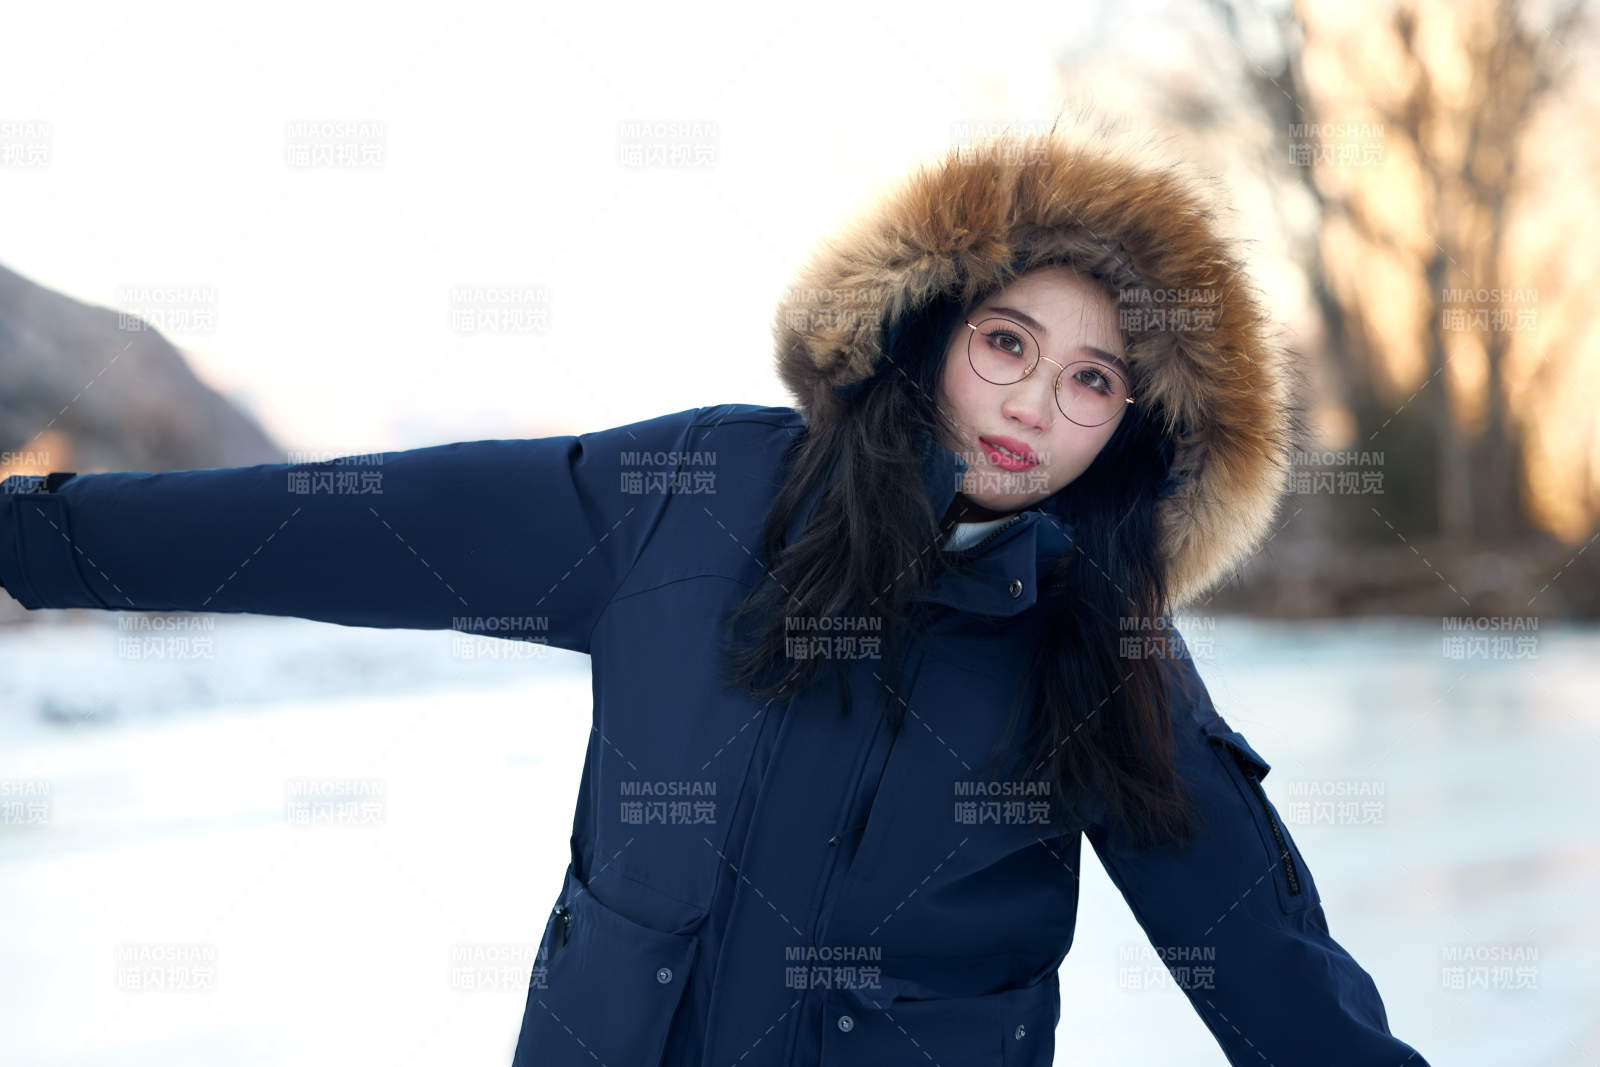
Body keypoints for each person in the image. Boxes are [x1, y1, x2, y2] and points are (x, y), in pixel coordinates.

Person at [0, 105, 1432, 1066]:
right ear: (933, 321)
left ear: (1141, 428)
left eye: (1093, 380)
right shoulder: (691, 499)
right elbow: (347, 524)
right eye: (1008, 342)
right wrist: (27, 538)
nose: (1032, 405)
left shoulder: (1108, 650)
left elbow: (1272, 969)